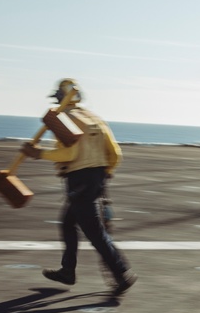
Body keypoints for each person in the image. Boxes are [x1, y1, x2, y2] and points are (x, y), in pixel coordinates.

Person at [21, 78, 137, 296]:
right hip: (96, 178)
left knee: (94, 232)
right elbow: (116, 154)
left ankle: (121, 273)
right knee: (67, 223)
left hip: (79, 180)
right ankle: (67, 271)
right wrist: (104, 174)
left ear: (60, 98)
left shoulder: (63, 119)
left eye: (56, 97)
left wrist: (39, 154)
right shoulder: (95, 119)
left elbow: (69, 154)